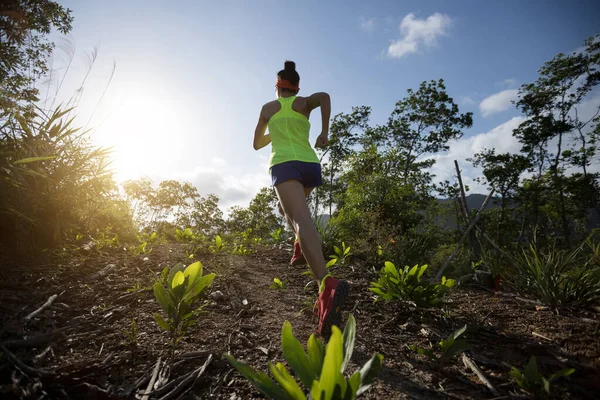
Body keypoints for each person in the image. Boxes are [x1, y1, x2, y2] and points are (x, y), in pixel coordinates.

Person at [253, 60, 349, 339]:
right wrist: (324, 132)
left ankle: (326, 285)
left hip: (284, 164)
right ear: (296, 87)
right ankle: (299, 244)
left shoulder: (268, 109)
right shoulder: (305, 103)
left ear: (276, 86)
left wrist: (275, 129)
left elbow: (257, 144)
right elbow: (326, 97)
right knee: (290, 211)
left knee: (298, 218)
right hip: (309, 164)